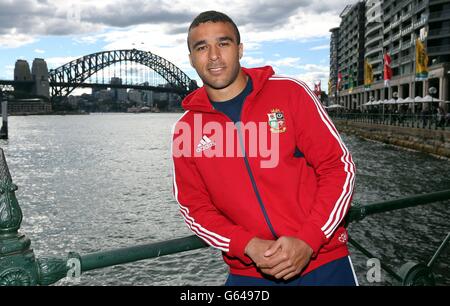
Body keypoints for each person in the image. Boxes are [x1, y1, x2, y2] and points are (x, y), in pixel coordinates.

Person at [171, 11, 357, 286]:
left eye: (223, 43)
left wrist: (309, 239)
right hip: (250, 273)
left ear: (240, 49)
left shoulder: (290, 94)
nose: (213, 56)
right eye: (201, 47)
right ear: (191, 59)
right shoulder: (185, 129)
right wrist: (246, 245)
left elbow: (338, 167)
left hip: (324, 262)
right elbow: (194, 207)